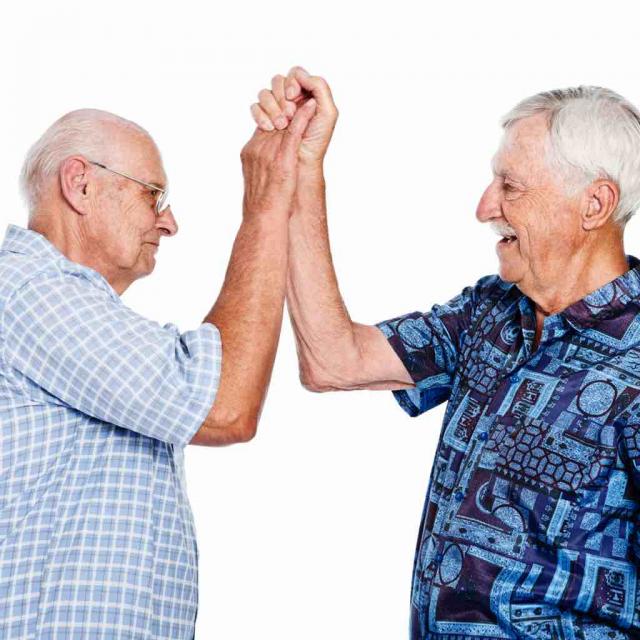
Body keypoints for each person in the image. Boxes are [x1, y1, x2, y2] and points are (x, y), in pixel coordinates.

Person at [252, 70, 640, 638]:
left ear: (594, 204)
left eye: (511, 186)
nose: (485, 207)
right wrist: (301, 169)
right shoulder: (489, 312)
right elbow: (334, 360)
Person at [0, 100, 316, 639]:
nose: (168, 222)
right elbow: (224, 406)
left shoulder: (67, 310)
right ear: (80, 185)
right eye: (154, 195)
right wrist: (264, 204)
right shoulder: (31, 290)